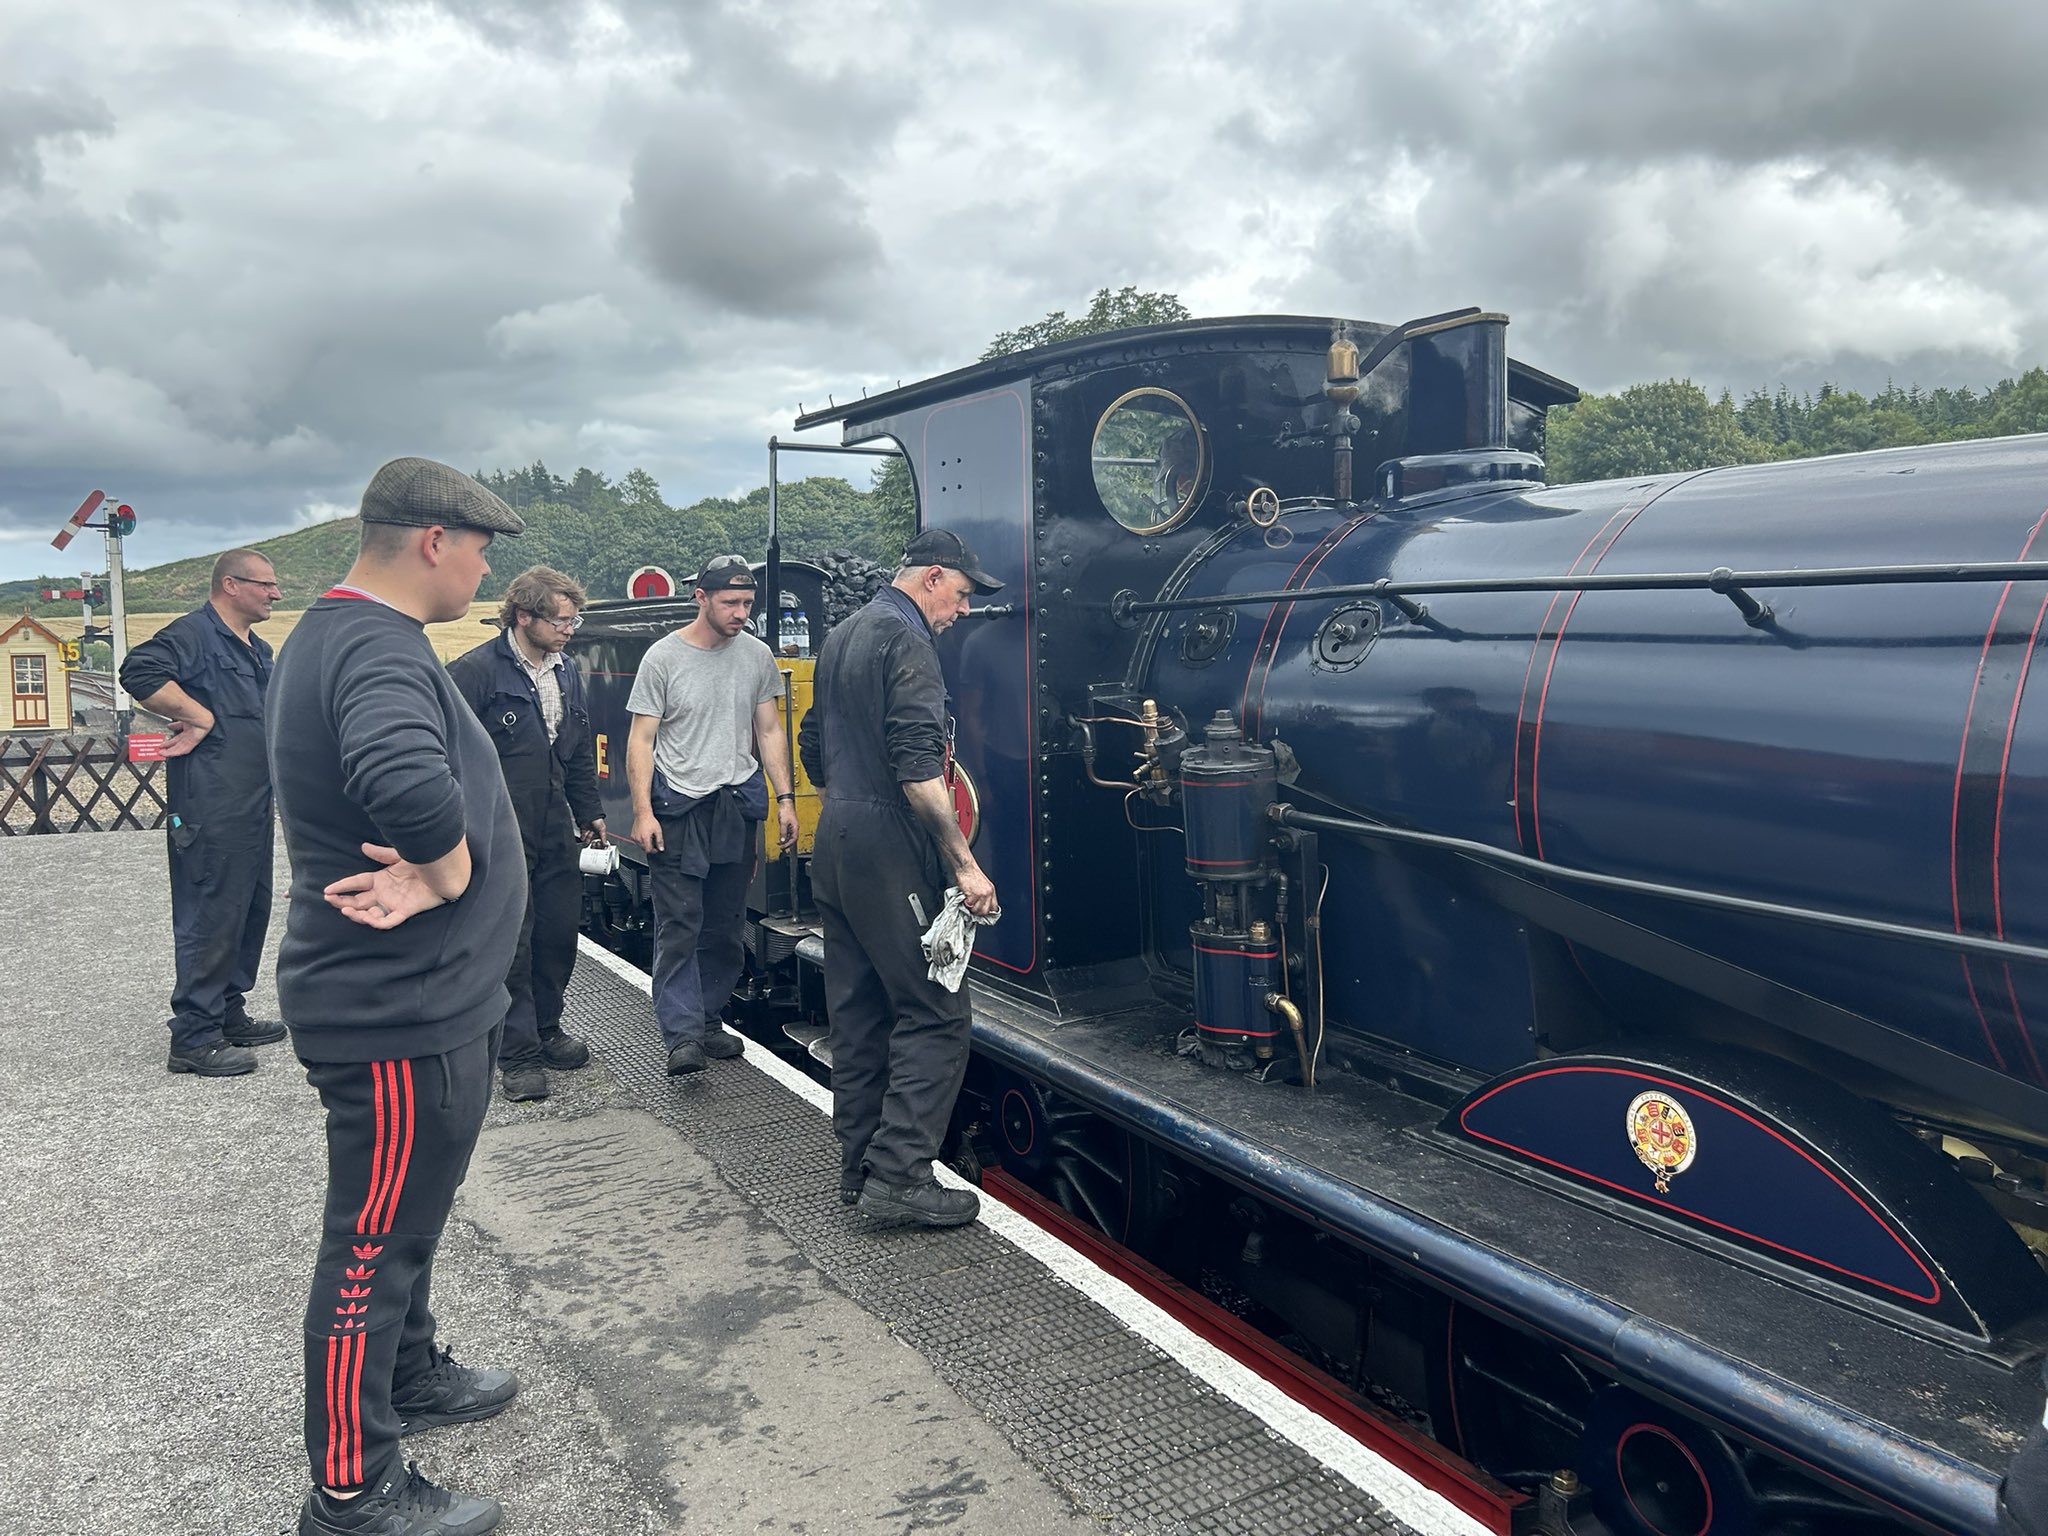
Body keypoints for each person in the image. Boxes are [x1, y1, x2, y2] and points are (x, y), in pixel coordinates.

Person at [268, 457, 528, 1536]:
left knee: (403, 1230)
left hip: (419, 1003)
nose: (480, 570)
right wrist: (453, 869)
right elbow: (408, 782)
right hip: (395, 1012)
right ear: (433, 541)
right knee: (370, 1248)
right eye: (479, 550)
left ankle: (410, 1379)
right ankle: (350, 1492)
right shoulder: (375, 647)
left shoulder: (332, 634)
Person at [797, 528, 1002, 1229]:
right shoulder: (908, 642)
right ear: (934, 577)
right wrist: (963, 862)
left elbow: (810, 743)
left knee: (857, 1012)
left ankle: (859, 1166)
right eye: (964, 595)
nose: (964, 611)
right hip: (888, 841)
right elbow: (919, 767)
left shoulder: (848, 631)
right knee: (937, 1010)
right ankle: (900, 1174)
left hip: (838, 837)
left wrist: (849, 805)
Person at [625, 555, 799, 1074]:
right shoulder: (662, 658)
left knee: (724, 927)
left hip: (734, 807)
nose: (740, 612)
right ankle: (681, 1037)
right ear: (701, 598)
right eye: (730, 602)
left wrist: (785, 798)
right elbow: (641, 739)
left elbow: (768, 730)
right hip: (678, 809)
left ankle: (706, 1020)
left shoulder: (756, 656)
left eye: (747, 603)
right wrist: (641, 811)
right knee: (680, 923)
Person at [121, 548, 286, 1077]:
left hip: (253, 805)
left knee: (248, 909)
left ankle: (227, 1012)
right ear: (231, 585)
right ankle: (193, 1037)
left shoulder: (257, 649)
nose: (275, 594)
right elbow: (138, 668)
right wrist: (196, 716)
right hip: (210, 806)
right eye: (265, 584)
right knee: (210, 914)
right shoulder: (195, 634)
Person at [447, 566, 604, 1103]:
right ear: (523, 616)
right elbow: (447, 754)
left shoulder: (566, 672)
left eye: (574, 619)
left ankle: (547, 1028)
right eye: (561, 620)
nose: (570, 629)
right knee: (510, 940)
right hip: (497, 825)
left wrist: (589, 811)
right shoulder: (474, 673)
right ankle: (516, 1055)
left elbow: (578, 748)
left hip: (554, 822)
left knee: (557, 932)